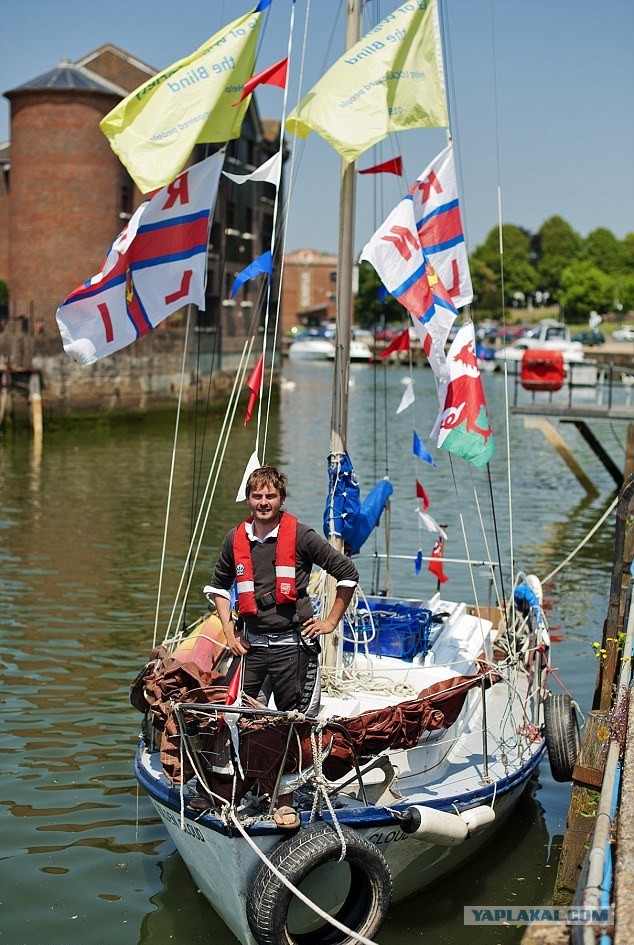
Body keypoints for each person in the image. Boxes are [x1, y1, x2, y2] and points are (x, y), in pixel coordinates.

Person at [209, 465, 359, 719]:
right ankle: (244, 759)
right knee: (232, 716)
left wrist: (331, 621)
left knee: (297, 722)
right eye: (257, 496)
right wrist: (227, 630)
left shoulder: (302, 536)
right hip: (250, 647)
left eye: (270, 496)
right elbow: (219, 587)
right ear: (249, 499)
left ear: (282, 499)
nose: (264, 503)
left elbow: (348, 574)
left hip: (294, 647)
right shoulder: (235, 538)